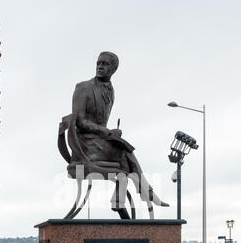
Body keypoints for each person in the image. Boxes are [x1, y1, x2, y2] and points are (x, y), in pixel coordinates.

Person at [60, 51, 169, 218]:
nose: (100, 66)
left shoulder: (111, 92)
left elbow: (99, 122)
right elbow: (80, 121)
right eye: (98, 63)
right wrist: (108, 131)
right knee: (125, 153)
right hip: (85, 145)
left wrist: (111, 133)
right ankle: (143, 193)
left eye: (105, 64)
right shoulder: (82, 87)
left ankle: (122, 201)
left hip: (100, 143)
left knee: (124, 162)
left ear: (113, 69)